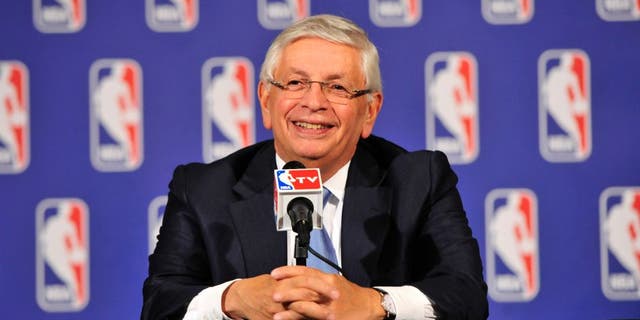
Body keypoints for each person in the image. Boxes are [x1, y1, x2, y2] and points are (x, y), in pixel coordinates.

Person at [142, 14, 488, 320]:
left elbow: (467, 297)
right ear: (265, 100)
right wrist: (232, 299)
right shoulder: (204, 189)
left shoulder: (417, 180)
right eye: (295, 83)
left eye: (337, 87)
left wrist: (374, 304)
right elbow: (160, 304)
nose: (314, 102)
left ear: (370, 111)